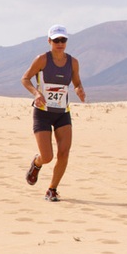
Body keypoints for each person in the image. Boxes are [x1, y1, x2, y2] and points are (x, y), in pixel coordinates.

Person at [21, 24, 87, 202]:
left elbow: (77, 82)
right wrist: (36, 93)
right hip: (42, 113)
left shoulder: (73, 62)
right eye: (56, 40)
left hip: (62, 113)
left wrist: (80, 89)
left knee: (64, 153)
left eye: (63, 40)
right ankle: (37, 163)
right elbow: (25, 78)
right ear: (49, 41)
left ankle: (52, 189)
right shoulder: (42, 59)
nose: (60, 43)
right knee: (48, 157)